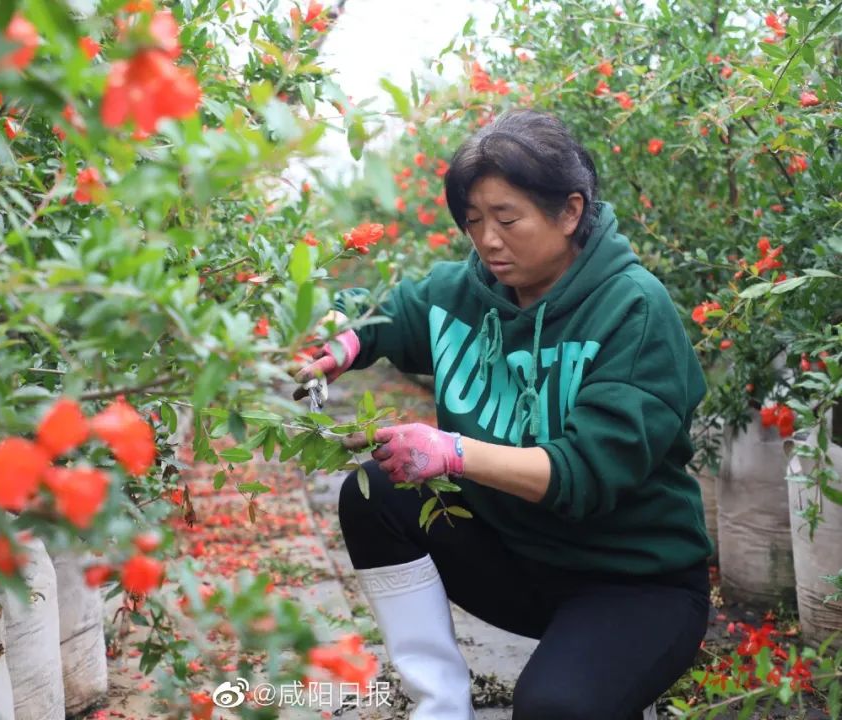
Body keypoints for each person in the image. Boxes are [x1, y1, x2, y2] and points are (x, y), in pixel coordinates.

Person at [293, 109, 712, 720]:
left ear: (570, 212)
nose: (488, 240)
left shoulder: (632, 310)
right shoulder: (467, 289)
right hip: (520, 564)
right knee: (373, 490)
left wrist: (453, 452)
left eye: (507, 218)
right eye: (473, 221)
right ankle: (439, 706)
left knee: (554, 708)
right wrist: (341, 339)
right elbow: (390, 310)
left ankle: (597, 676)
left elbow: (586, 473)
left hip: (633, 583)